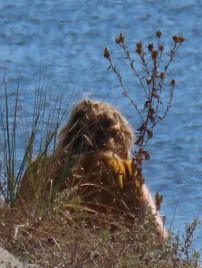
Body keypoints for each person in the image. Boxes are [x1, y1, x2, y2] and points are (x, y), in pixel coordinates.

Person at [19, 99, 167, 239]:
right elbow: (158, 235)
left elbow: (17, 219)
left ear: (69, 133)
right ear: (121, 138)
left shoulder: (39, 169)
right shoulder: (126, 171)